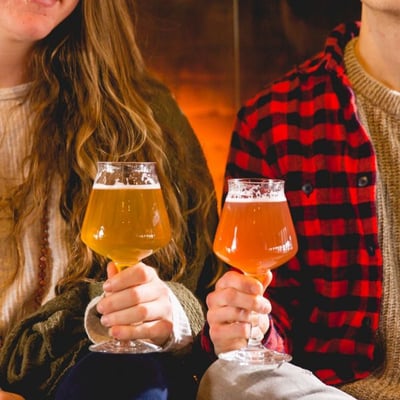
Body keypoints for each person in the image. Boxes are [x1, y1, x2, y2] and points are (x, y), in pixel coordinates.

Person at [0, 1, 218, 399]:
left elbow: (207, 293)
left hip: (98, 378)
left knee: (133, 377)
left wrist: (166, 312)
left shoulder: (144, 115)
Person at [198, 0, 400, 399]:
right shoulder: (272, 119)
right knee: (227, 378)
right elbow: (272, 302)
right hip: (333, 393)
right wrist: (248, 325)